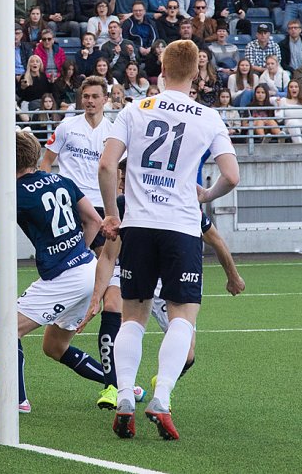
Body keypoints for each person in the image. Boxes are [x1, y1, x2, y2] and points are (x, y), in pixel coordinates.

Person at [96, 39, 239, 440]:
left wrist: (111, 213)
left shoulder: (133, 109)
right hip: (180, 226)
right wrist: (205, 196)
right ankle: (160, 398)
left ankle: (125, 396)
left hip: (138, 225)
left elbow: (108, 164)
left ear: (160, 68)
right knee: (183, 316)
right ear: (197, 73)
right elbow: (232, 175)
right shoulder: (208, 117)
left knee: (133, 316)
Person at [0, 130, 109, 414]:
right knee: (54, 347)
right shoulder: (62, 180)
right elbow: (95, 221)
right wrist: (76, 254)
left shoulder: (16, 195)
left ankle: (15, 400)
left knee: (7, 329)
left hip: (66, 278)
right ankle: (120, 385)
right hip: (89, 268)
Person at [39, 77, 126, 393]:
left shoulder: (115, 131)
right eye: (85, 96)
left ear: (106, 99)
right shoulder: (67, 127)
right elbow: (46, 164)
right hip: (73, 216)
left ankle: (115, 384)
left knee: (111, 299)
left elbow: (120, 171)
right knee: (77, 289)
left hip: (106, 216)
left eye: (95, 96)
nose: (89, 101)